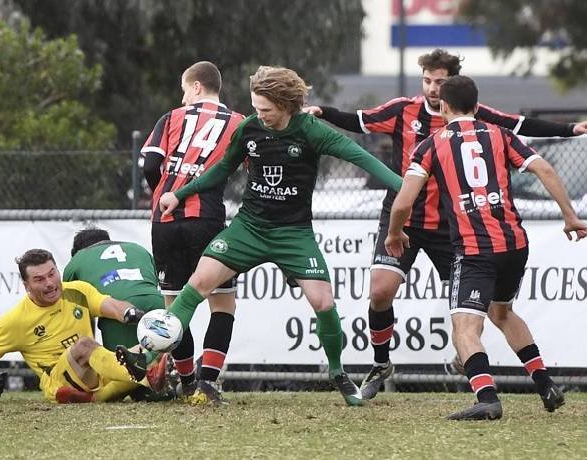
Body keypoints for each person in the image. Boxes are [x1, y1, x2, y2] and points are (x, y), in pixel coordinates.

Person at [304, 48, 587, 399]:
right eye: (427, 81)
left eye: (439, 82)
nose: (432, 88)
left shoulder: (473, 117)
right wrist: (323, 111)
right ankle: (381, 364)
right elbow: (358, 120)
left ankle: (469, 357)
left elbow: (520, 123)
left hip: (451, 227)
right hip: (403, 219)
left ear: (451, 86)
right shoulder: (403, 111)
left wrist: (570, 129)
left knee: (473, 310)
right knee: (380, 290)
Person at [159, 65, 403, 407]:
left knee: (324, 303)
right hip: (249, 228)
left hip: (294, 234)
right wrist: (181, 194)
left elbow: (364, 160)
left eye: (266, 110)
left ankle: (337, 372)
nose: (259, 115)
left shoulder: (312, 131)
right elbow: (221, 169)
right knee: (198, 283)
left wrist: (405, 188)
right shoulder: (249, 129)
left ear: (287, 105)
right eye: (256, 108)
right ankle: (153, 348)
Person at [385, 75, 587, 420]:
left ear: (444, 107)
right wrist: (570, 216)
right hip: (514, 244)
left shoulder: (431, 145)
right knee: (502, 313)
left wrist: (393, 234)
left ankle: (487, 398)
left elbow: (403, 203)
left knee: (465, 328)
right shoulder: (501, 135)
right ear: (477, 106)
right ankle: (545, 385)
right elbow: (545, 169)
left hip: (475, 249)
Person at [141, 61, 244, 404]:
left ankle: (185, 382)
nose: (182, 96)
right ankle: (208, 383)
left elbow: (150, 164)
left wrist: (162, 195)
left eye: (184, 89)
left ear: (197, 87)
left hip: (165, 221)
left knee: (173, 304)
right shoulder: (238, 122)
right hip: (208, 219)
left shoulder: (171, 117)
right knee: (222, 303)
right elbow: (252, 168)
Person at [0, 249, 160, 404]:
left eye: (52, 274)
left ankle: (98, 397)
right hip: (58, 382)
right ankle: (142, 374)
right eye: (39, 279)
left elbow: (113, 306)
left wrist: (133, 313)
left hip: (95, 374)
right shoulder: (15, 319)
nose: (50, 283)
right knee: (85, 345)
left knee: (158, 344)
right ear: (26, 285)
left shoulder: (77, 290)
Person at [63, 227, 169, 401]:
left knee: (125, 374)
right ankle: (169, 375)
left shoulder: (77, 261)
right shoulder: (138, 249)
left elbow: (75, 314)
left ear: (77, 251)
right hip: (157, 301)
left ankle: (141, 385)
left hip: (117, 310)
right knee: (152, 360)